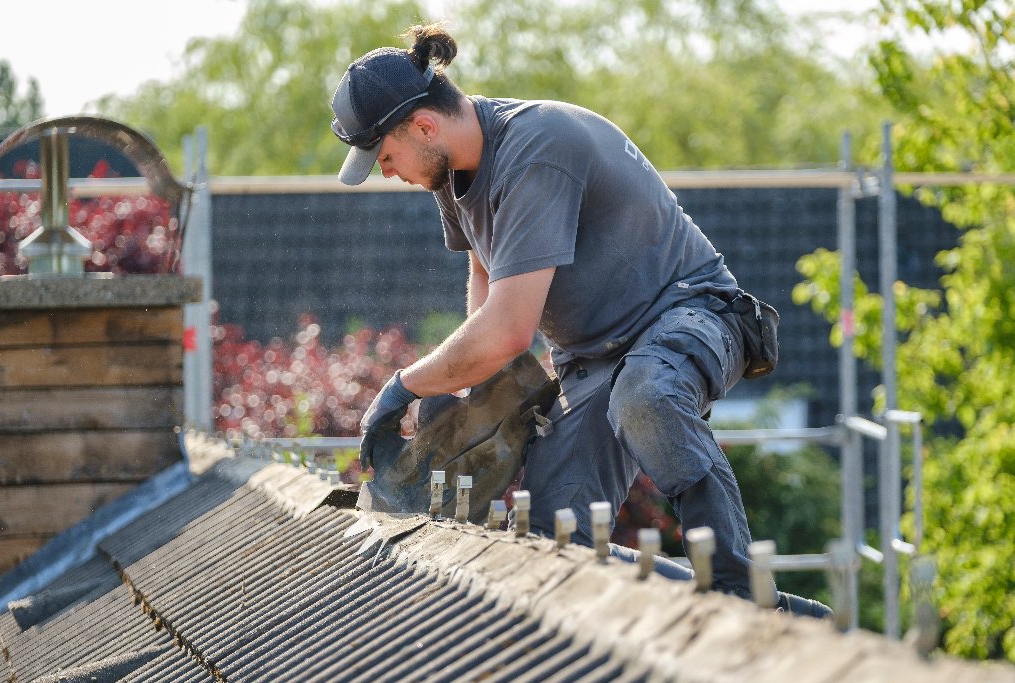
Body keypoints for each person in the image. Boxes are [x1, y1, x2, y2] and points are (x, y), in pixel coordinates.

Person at [332, 24, 831, 618]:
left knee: (645, 396)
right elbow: (486, 278)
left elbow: (511, 330)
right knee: (551, 544)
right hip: (592, 359)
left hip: (688, 315)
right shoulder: (451, 173)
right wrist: (474, 387)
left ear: (424, 126)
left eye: (385, 156)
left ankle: (740, 591)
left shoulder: (537, 147)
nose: (386, 171)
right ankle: (760, 612)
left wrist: (403, 385)